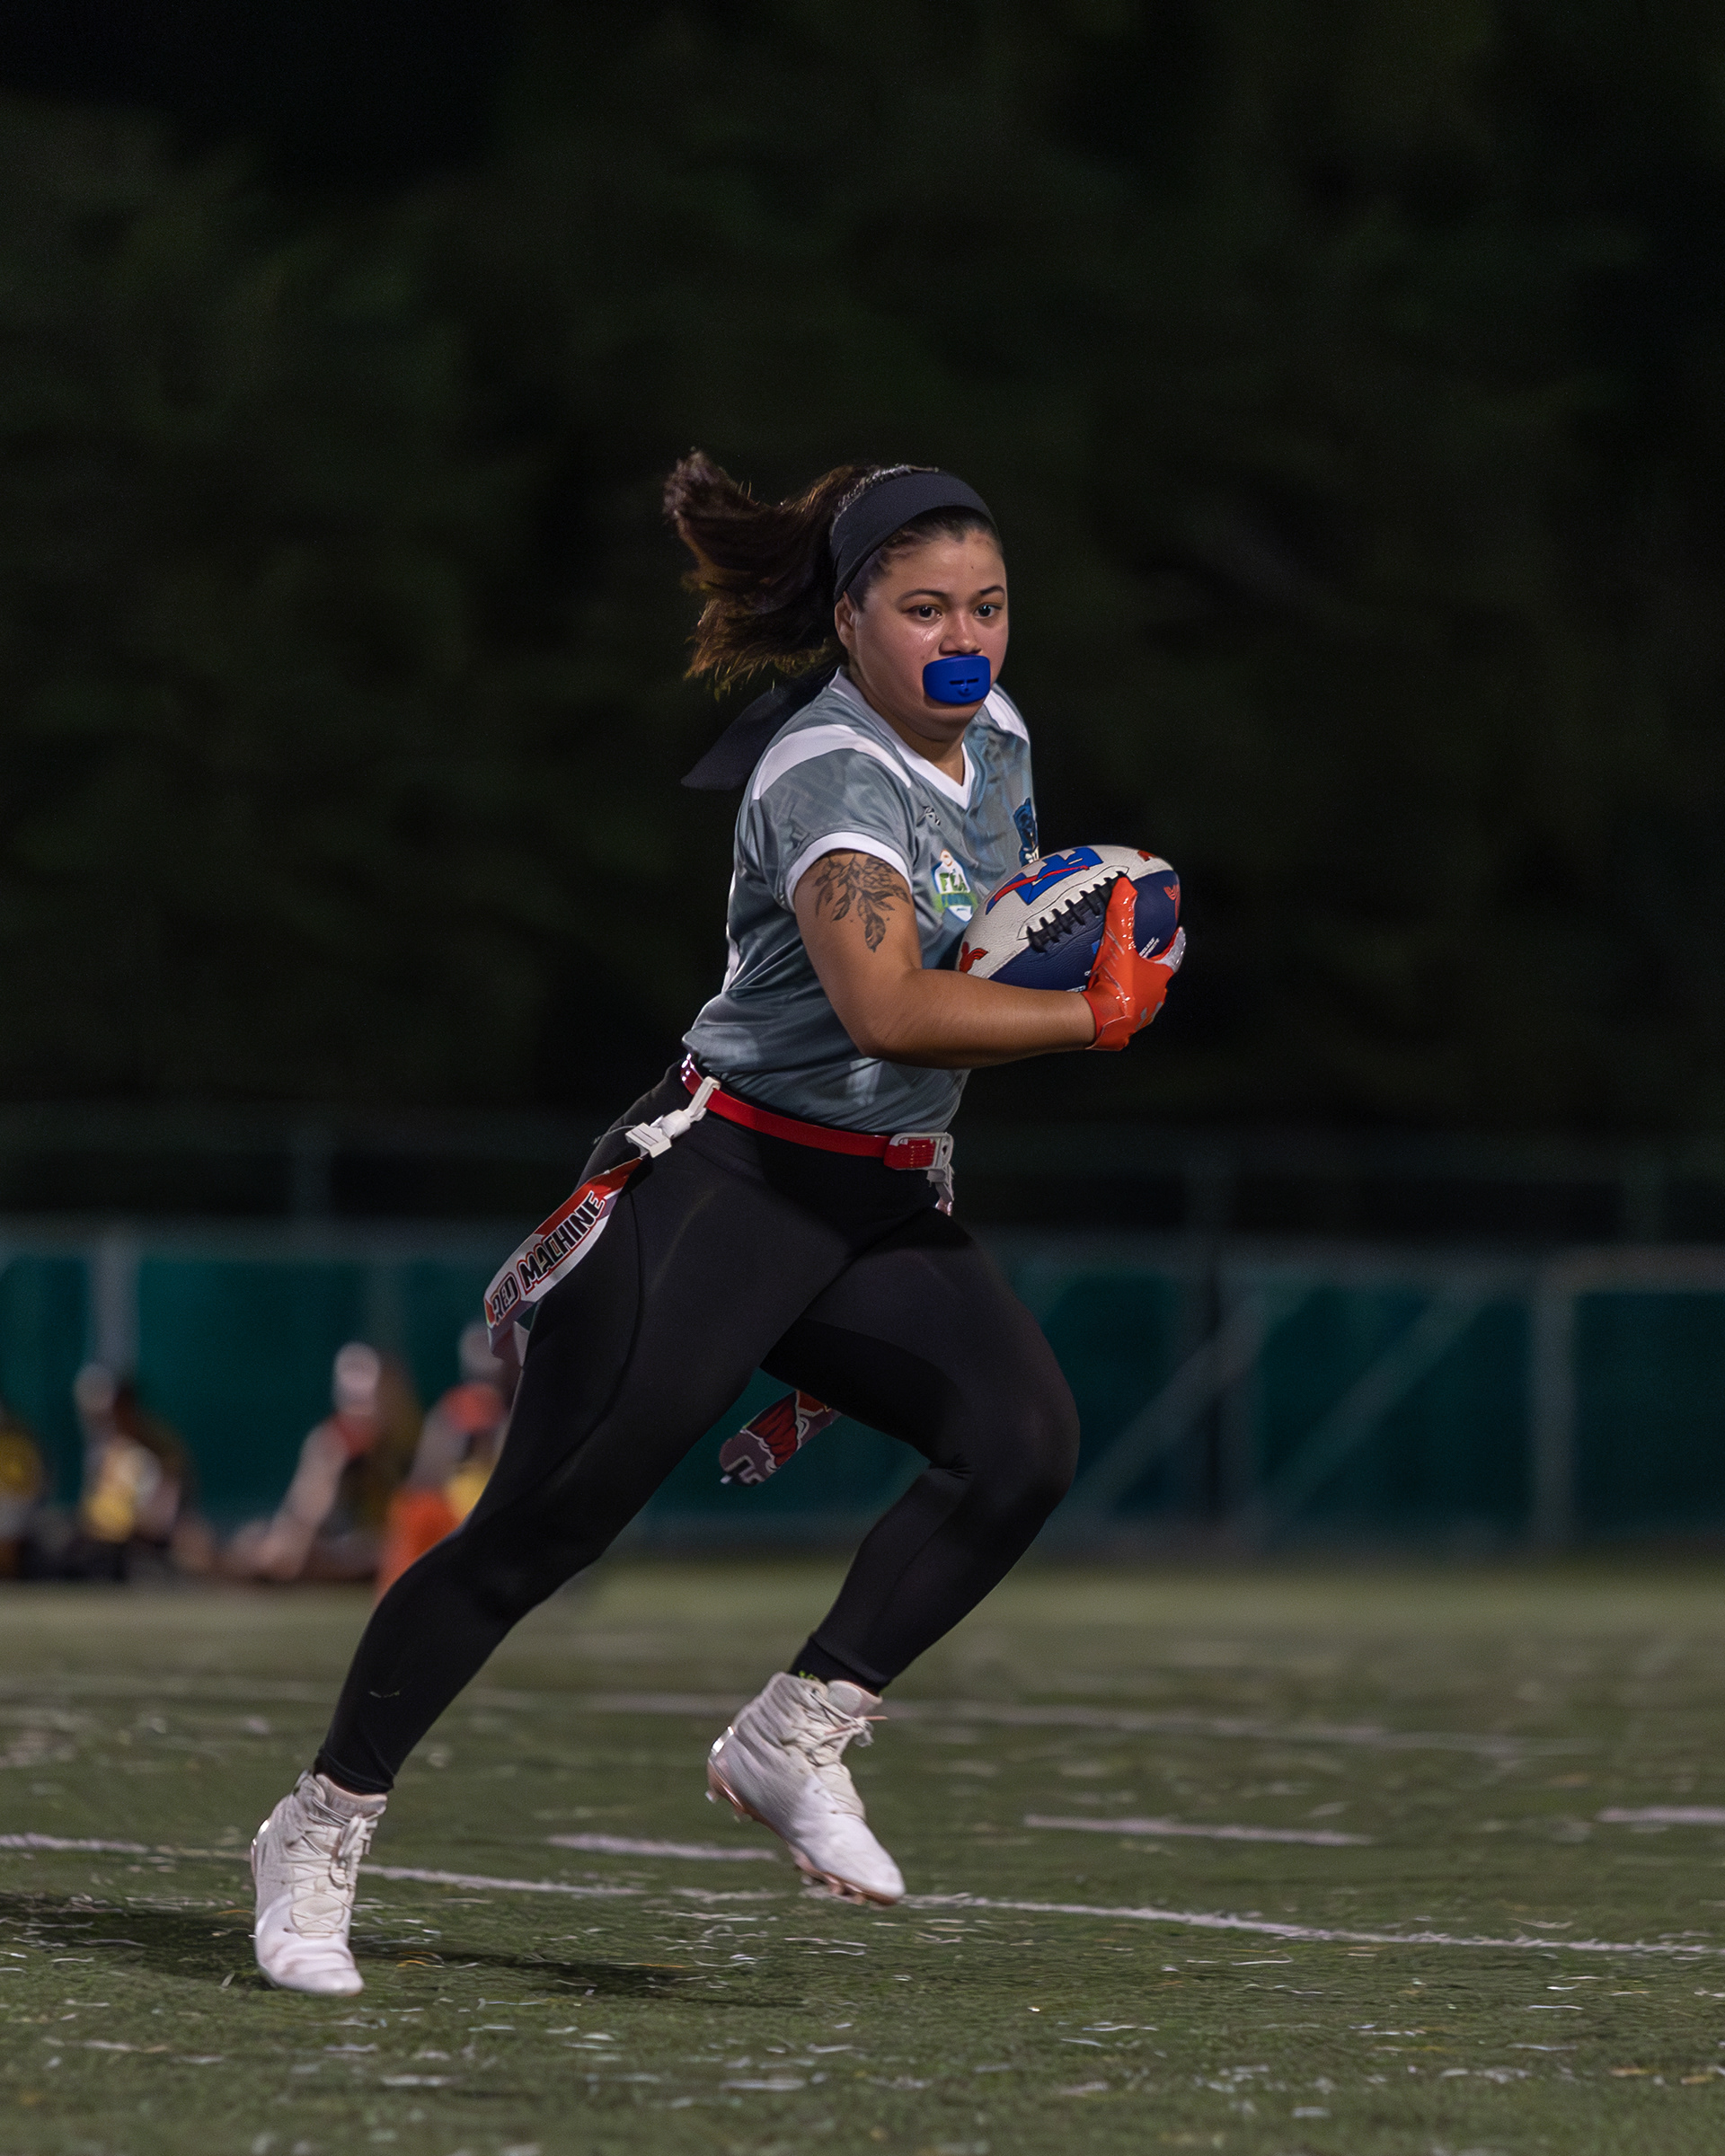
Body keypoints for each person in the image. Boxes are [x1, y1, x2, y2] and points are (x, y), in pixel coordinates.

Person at [249, 456, 1184, 1995]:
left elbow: (970, 959)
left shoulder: (999, 737)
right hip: (726, 1185)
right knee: (540, 1534)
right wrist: (1095, 1014)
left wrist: (1046, 958)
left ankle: (793, 1734)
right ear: (849, 617)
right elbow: (888, 1008)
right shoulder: (827, 773)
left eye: (989, 604)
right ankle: (317, 1825)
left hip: (872, 1193)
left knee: (1021, 1441)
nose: (964, 637)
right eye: (925, 608)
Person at [226, 1344, 420, 1585]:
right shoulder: (334, 1443)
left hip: (382, 1547)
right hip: (342, 1546)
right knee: (254, 1538)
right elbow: (306, 1513)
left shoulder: (408, 1443)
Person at [372, 1323, 515, 1600]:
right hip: (471, 1513)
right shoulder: (461, 1409)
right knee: (416, 1510)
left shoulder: (497, 1408)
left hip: (482, 1513)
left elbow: (426, 1472)